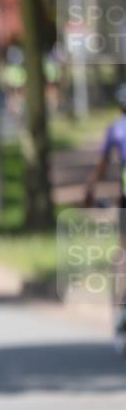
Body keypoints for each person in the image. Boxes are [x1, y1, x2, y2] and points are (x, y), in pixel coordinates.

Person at [83, 83, 126, 354]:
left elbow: (100, 167)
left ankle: (120, 312)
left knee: (122, 256)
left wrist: (88, 192)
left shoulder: (116, 129)